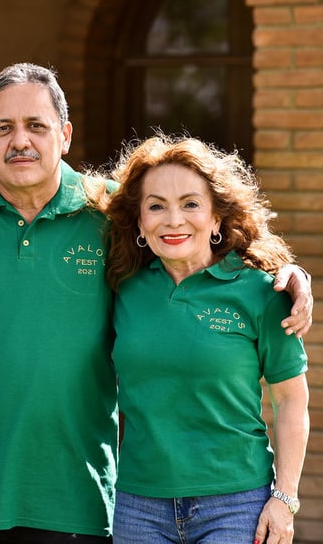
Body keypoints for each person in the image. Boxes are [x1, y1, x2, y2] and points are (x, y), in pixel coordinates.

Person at [0, 62, 313, 543]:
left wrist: (289, 272)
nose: (20, 141)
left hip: (77, 494)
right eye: (3, 128)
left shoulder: (110, 211)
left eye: (36, 125)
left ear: (66, 134)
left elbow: (195, 241)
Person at [103, 134, 309, 544]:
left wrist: (284, 500)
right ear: (140, 223)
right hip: (137, 504)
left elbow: (291, 399)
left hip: (237, 505)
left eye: (191, 204)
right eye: (156, 206)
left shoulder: (261, 293)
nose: (173, 219)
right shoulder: (121, 289)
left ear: (216, 218)